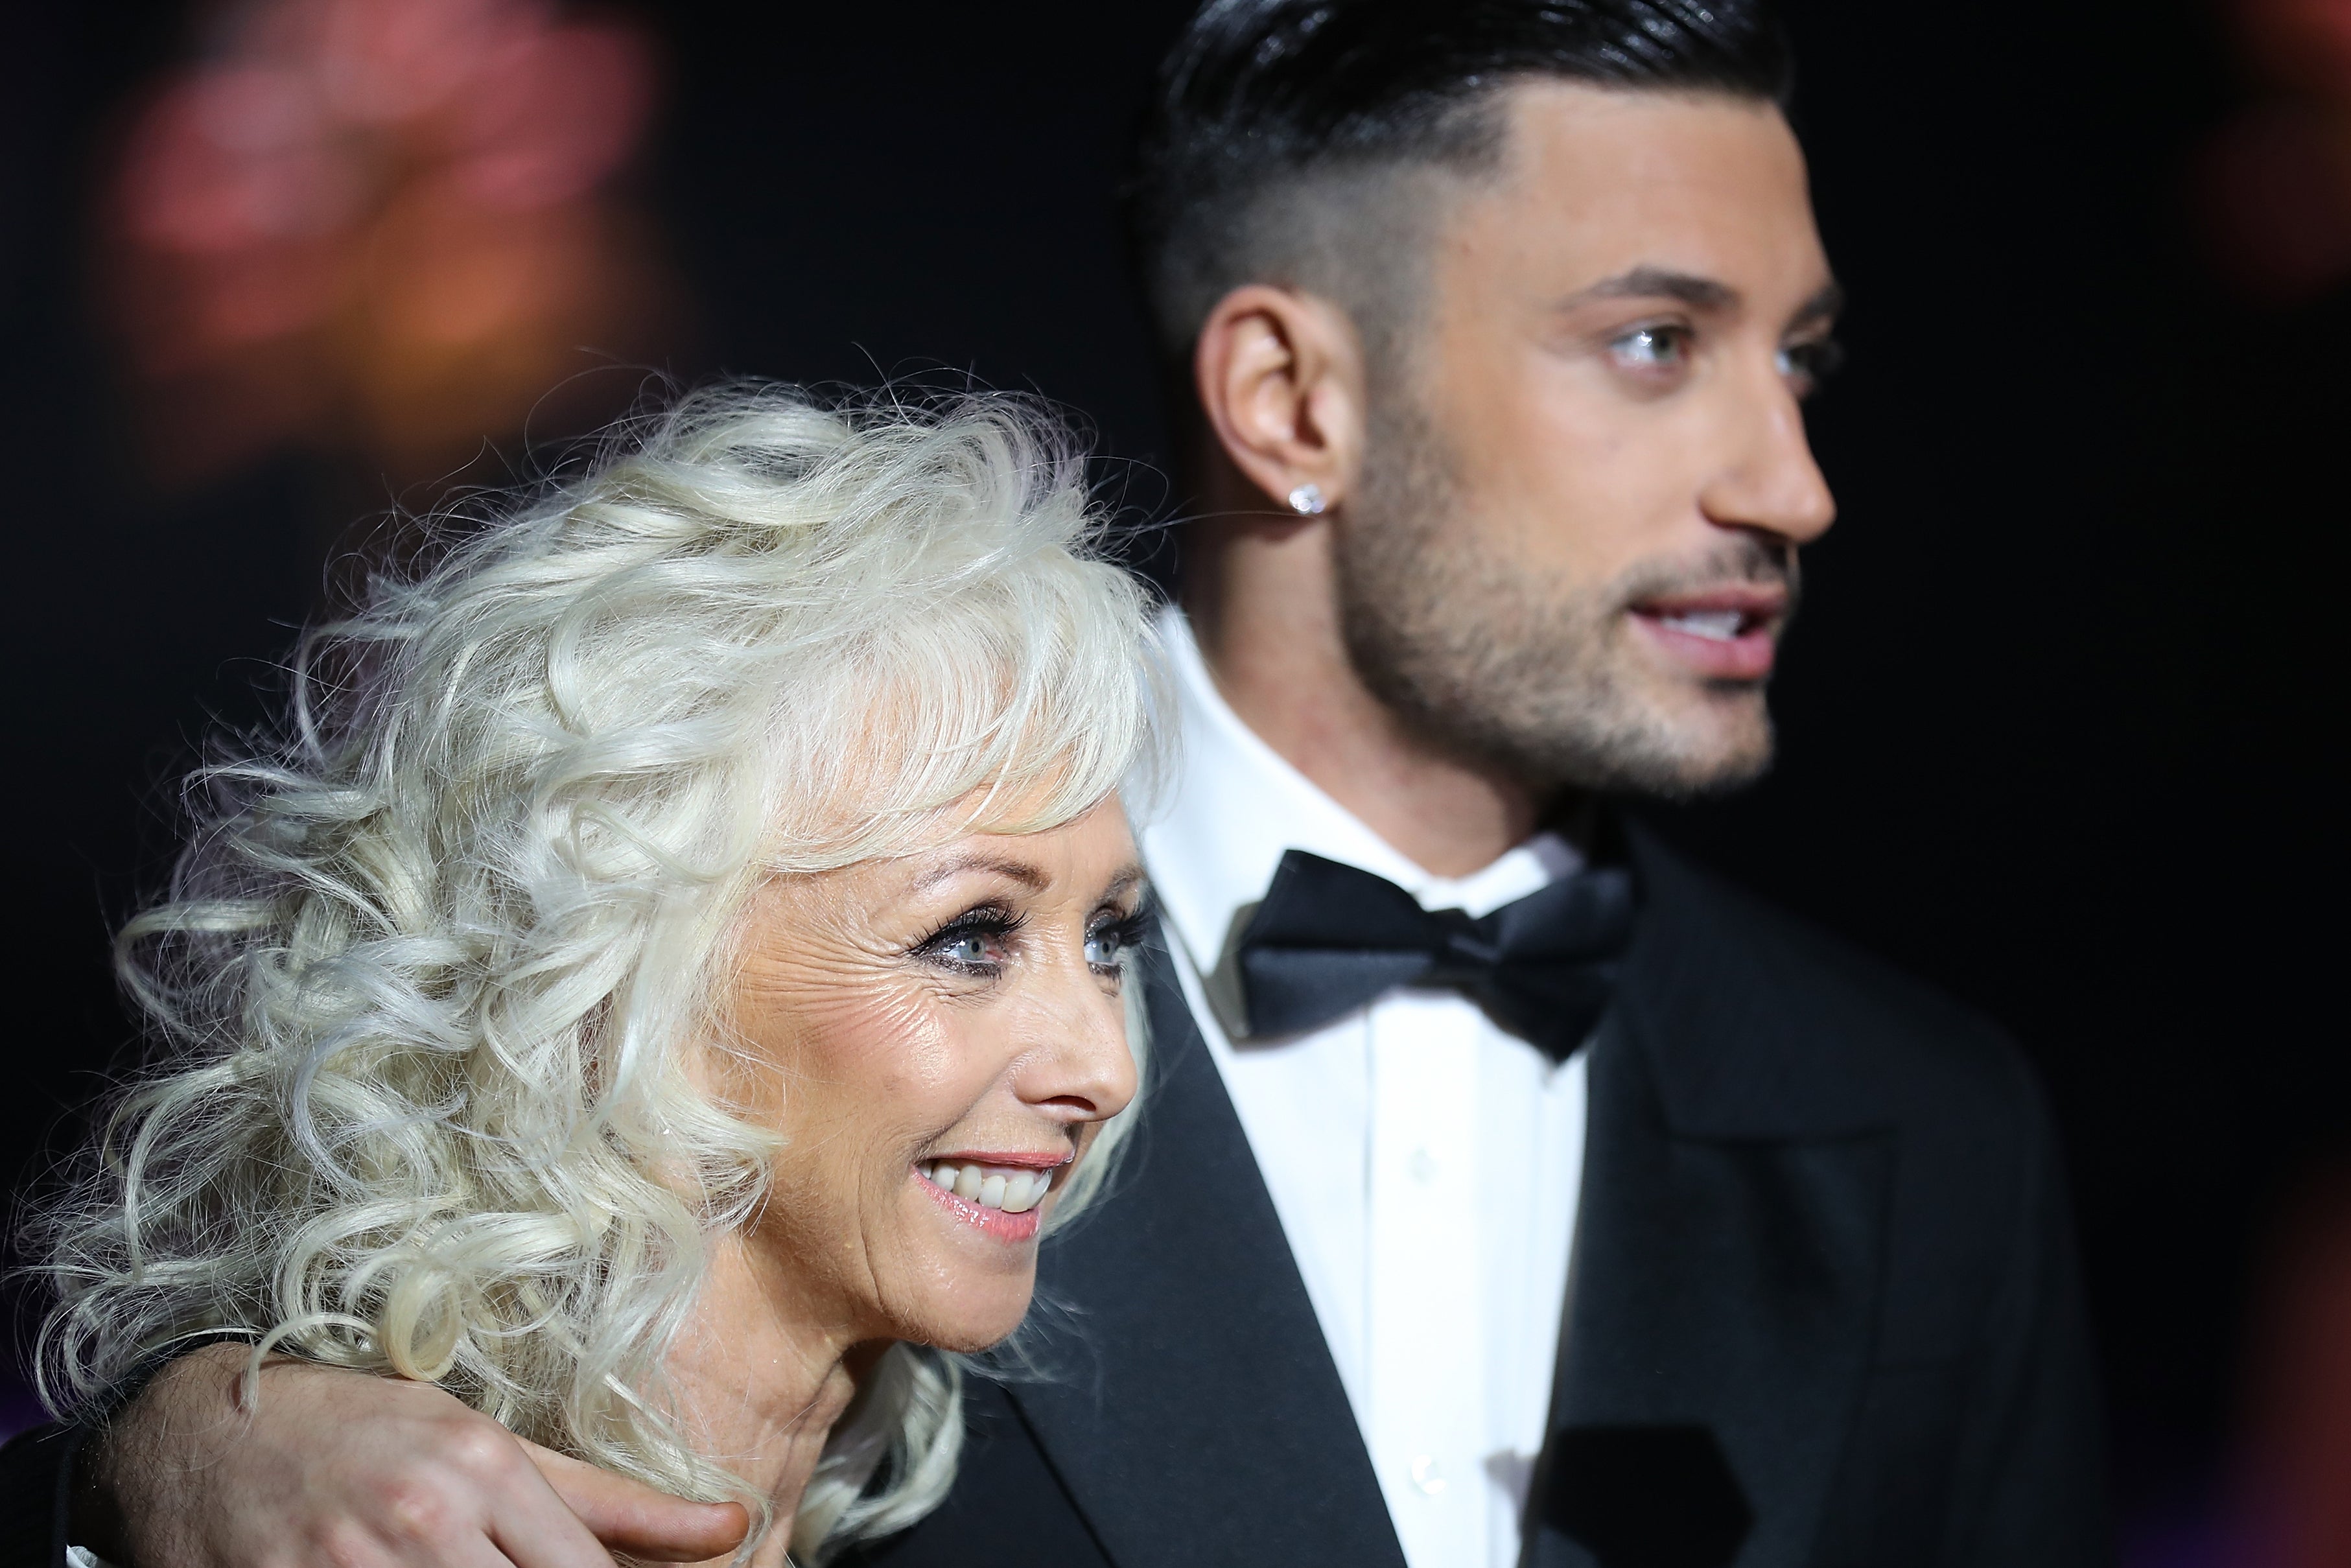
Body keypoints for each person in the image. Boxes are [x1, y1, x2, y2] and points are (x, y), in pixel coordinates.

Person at [3, 1, 2110, 1565]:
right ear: (1285, 393)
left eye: (1798, 359)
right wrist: (167, 1454)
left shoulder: (1932, 1135)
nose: (1790, 484)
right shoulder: (816, 985)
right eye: (1651, 343)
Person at [4, 386, 1164, 1568]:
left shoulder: (1066, 1502)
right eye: (970, 935)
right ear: (612, 969)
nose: (1106, 1069)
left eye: (1111, 937)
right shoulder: (296, 1518)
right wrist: (128, 1467)